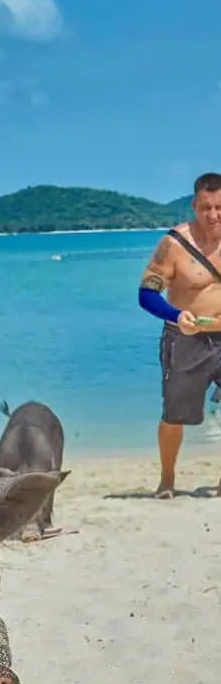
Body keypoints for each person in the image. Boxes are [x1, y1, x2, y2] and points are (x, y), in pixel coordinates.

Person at [137, 171, 221, 498]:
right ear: (194, 206)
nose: (213, 215)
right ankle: (167, 480)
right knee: (174, 415)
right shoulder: (175, 244)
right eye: (205, 208)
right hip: (185, 339)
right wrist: (175, 315)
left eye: (219, 207)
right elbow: (147, 294)